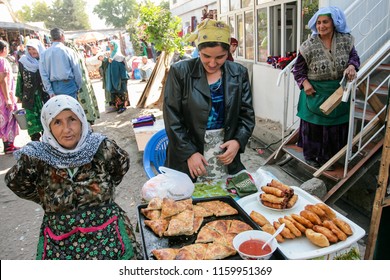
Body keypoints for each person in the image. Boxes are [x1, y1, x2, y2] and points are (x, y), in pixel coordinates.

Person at [5, 95, 141, 260]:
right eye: (57, 122)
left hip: (107, 232)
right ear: (48, 126)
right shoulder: (35, 158)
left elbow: (120, 167)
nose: (66, 129)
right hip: (60, 240)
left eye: (72, 119)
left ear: (82, 120)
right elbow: (18, 183)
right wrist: (44, 198)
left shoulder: (101, 147)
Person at [163, 19, 255, 182]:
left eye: (220, 57)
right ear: (198, 50)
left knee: (223, 201)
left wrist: (237, 141)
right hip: (189, 149)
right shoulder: (180, 72)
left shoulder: (238, 73)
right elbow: (172, 118)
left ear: (228, 53)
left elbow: (246, 115)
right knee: (189, 203)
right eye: (206, 56)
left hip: (224, 151)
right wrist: (189, 153)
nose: (212, 63)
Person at [292, 6, 360, 169]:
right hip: (315, 91)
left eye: (325, 22)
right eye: (319, 22)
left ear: (335, 23)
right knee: (314, 127)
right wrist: (305, 84)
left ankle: (331, 157)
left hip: (338, 91)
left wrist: (352, 66)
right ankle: (312, 156)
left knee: (335, 127)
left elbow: (354, 58)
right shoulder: (308, 45)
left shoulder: (345, 40)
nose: (321, 26)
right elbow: (298, 70)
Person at [15, 39, 49, 142]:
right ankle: (35, 145)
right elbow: (20, 78)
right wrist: (19, 95)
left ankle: (48, 143)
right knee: (32, 124)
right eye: (29, 49)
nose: (31, 51)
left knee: (46, 121)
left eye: (33, 48)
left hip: (44, 96)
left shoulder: (45, 60)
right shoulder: (23, 62)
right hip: (29, 97)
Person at [39, 28, 82, 99]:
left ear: (51, 38)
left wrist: (50, 91)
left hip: (54, 87)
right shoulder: (69, 51)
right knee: (70, 108)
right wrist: (78, 86)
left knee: (58, 109)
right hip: (69, 86)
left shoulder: (44, 54)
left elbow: (43, 75)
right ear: (62, 36)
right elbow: (77, 71)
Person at [0, 40, 19, 154]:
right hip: (3, 96)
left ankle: (7, 145)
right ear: (3, 50)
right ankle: (9, 146)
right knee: (9, 120)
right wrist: (7, 98)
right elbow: (2, 81)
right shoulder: (2, 61)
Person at [106, 40, 129, 114]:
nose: (111, 48)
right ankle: (119, 106)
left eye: (112, 46)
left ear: (115, 46)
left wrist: (113, 61)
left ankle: (123, 106)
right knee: (116, 92)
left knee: (121, 91)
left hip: (120, 77)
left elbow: (122, 67)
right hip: (114, 77)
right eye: (110, 47)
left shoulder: (119, 55)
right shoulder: (111, 54)